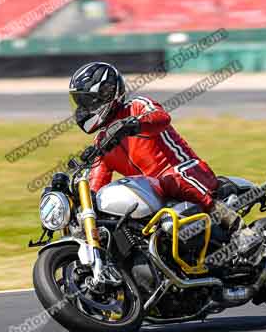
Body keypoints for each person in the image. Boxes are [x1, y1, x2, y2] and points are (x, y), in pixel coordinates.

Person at [69, 62, 240, 231]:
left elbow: (161, 118)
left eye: (86, 101)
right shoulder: (102, 142)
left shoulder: (136, 106)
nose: (82, 109)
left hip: (187, 172)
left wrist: (133, 124)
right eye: (79, 103)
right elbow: (96, 184)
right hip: (153, 194)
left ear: (106, 93)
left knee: (171, 179)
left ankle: (237, 228)